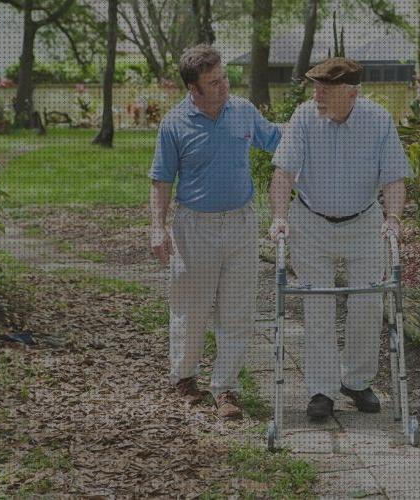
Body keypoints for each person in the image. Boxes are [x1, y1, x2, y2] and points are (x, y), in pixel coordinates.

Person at [268, 57, 411, 420]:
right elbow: (283, 173)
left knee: (368, 302)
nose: (316, 95)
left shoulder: (378, 119)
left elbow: (394, 177)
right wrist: (280, 217)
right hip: (311, 221)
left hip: (364, 221)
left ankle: (357, 381)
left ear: (351, 93)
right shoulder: (304, 116)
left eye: (325, 89)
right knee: (318, 303)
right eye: (315, 87)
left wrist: (393, 218)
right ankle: (321, 389)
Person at [149, 45, 281, 419]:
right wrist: (157, 228)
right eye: (214, 82)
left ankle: (226, 389)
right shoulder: (174, 123)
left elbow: (278, 140)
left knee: (237, 310)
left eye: (224, 78)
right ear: (193, 88)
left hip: (241, 223)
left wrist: (315, 128)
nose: (224, 86)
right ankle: (185, 378)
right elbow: (161, 179)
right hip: (195, 227)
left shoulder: (243, 111)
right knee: (191, 309)